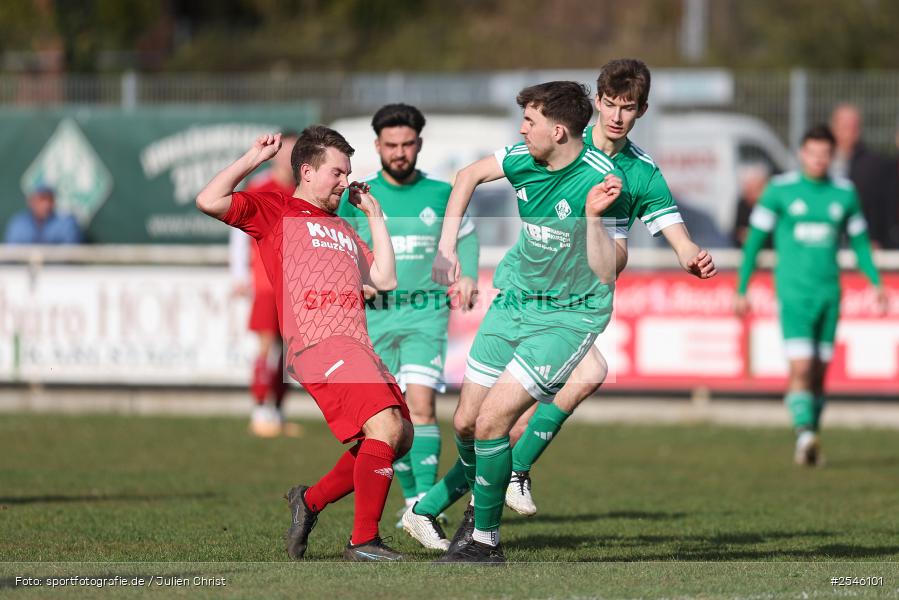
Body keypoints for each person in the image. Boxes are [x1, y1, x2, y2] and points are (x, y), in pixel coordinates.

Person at [402, 59, 716, 553]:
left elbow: (635, 245)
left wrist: (687, 253)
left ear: (641, 112)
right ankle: (451, 499)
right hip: (523, 295)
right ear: (591, 107)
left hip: (574, 305)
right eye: (609, 104)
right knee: (474, 420)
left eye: (626, 108)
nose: (615, 116)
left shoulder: (631, 174)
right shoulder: (550, 138)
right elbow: (473, 175)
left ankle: (505, 487)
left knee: (546, 395)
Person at [413, 80, 627, 563]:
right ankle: (441, 509)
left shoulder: (604, 180)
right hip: (515, 303)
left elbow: (607, 268)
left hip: (568, 318)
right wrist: (447, 247)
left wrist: (593, 220)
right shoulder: (522, 156)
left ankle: (484, 538)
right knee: (466, 423)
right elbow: (467, 175)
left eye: (529, 122)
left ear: (557, 130)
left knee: (493, 423)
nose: (521, 130)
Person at [197, 126, 413, 561]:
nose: (345, 181)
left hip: (356, 343)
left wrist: (374, 214)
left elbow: (385, 280)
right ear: (308, 171)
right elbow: (209, 199)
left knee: (400, 436)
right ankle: (363, 542)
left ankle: (309, 502)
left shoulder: (342, 226)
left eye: (348, 173)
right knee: (385, 428)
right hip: (319, 344)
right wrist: (253, 158)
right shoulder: (276, 209)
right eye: (337, 172)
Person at [337, 104, 479, 531]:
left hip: (425, 312)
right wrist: (354, 282)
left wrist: (467, 274)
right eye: (391, 145)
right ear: (378, 146)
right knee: (388, 418)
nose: (400, 152)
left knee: (421, 403)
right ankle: (413, 499)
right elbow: (338, 248)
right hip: (375, 317)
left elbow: (466, 236)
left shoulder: (440, 194)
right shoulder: (358, 199)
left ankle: (421, 502)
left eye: (407, 144)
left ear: (419, 144)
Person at [735, 124, 887, 467]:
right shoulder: (780, 190)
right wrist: (742, 287)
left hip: (829, 294)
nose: (818, 160)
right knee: (801, 368)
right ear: (802, 153)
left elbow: (860, 243)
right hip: (793, 293)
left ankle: (811, 436)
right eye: (812, 153)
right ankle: (804, 434)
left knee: (819, 372)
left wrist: (875, 283)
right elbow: (755, 241)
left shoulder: (844, 193)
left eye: (824, 154)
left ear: (832, 156)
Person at [229, 130, 302, 438]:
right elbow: (237, 229)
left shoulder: (305, 191)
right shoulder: (260, 188)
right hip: (266, 281)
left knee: (288, 354)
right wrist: (239, 274)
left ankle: (278, 413)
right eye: (285, 151)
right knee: (265, 347)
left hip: (296, 285)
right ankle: (260, 411)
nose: (289, 157)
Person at [830, 103, 899, 249]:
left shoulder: (875, 165)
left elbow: (883, 206)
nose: (847, 132)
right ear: (833, 127)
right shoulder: (822, 161)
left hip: (862, 241)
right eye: (843, 126)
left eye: (852, 127)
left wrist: (876, 237)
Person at [4, 185, 82, 244]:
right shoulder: (19, 223)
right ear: (31, 201)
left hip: (57, 265)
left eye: (50, 199)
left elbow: (71, 253)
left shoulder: (66, 223)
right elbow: (12, 252)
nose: (46, 204)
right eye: (41, 199)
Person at [733, 163, 771, 248]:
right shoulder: (742, 205)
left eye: (752, 189)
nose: (748, 193)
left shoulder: (770, 206)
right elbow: (737, 232)